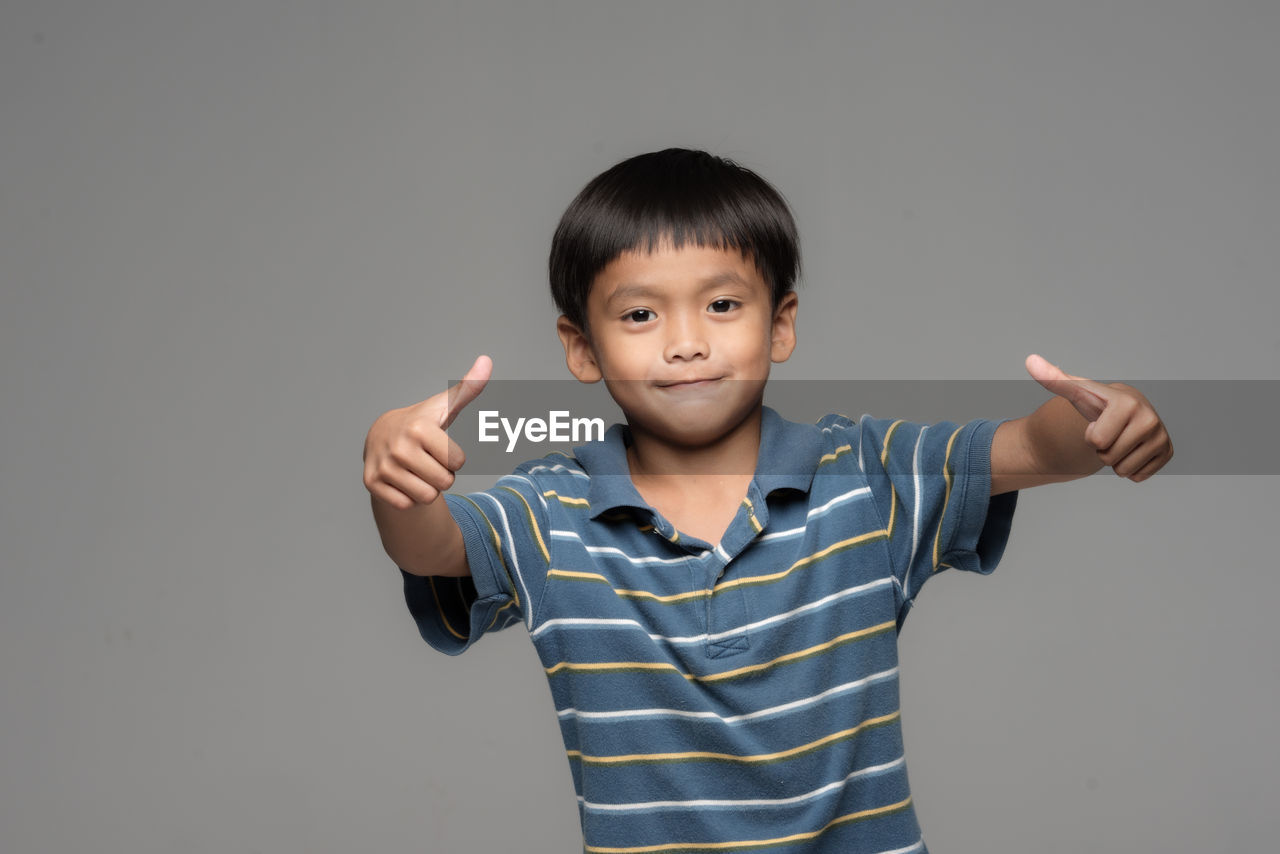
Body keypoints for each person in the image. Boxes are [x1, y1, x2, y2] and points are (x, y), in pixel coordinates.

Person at [362, 148, 1172, 853]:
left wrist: (1108, 417)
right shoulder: (549, 514)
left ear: (780, 325)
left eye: (722, 305)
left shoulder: (866, 477)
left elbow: (1032, 447)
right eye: (640, 314)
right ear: (581, 346)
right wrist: (395, 467)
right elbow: (429, 546)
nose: (686, 342)